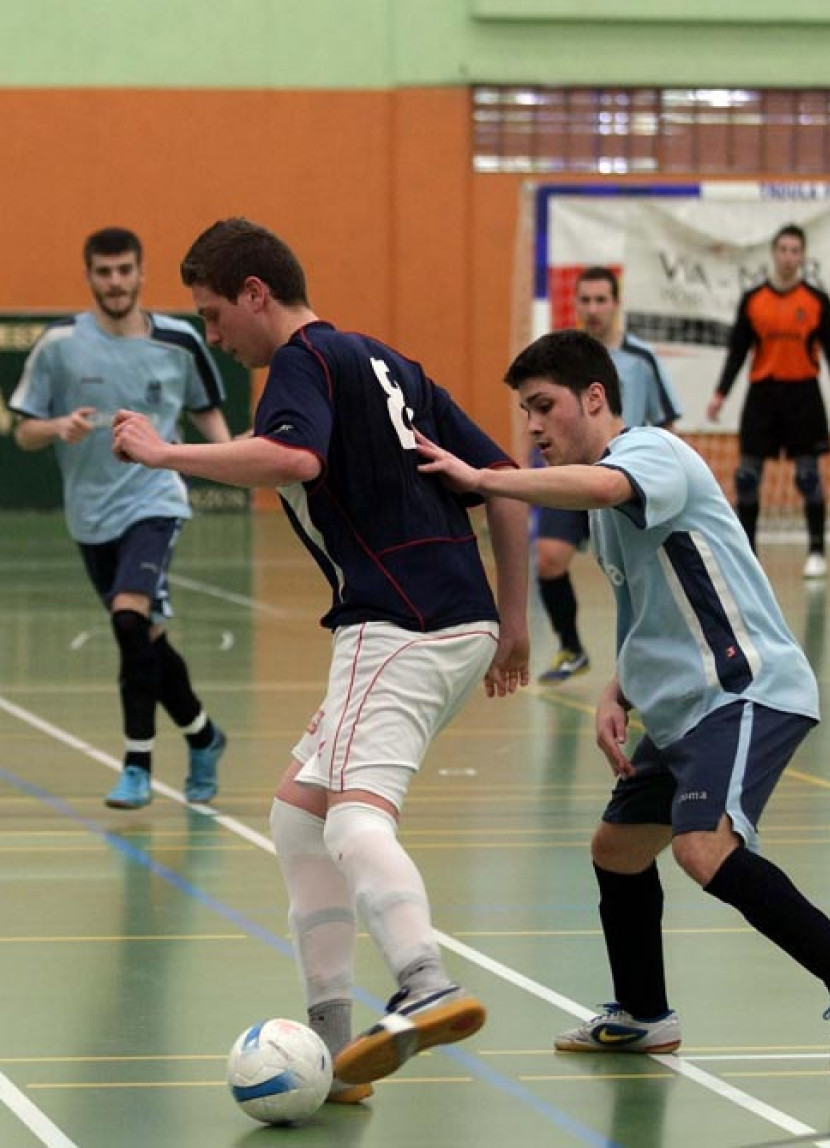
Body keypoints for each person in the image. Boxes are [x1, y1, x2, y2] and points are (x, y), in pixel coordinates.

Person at [111, 217, 531, 1101]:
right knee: (299, 816)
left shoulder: (300, 362)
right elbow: (502, 491)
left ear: (257, 294)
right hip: (452, 620)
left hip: (399, 623)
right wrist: (517, 625)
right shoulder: (393, 363)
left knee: (350, 822)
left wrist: (165, 453)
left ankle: (426, 982)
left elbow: (292, 456)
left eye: (217, 314)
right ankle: (337, 1047)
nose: (216, 337)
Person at [416, 328, 830, 1076]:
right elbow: (647, 606)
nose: (533, 426)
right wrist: (617, 689)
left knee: (704, 847)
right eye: (525, 413)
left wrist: (485, 479)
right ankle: (644, 1015)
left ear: (595, 398)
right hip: (681, 708)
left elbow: (605, 487)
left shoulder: (652, 456)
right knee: (619, 848)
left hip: (746, 689)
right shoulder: (608, 506)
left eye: (544, 407)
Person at [10, 227, 230, 810]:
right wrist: (58, 427)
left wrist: (235, 462)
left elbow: (208, 413)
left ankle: (137, 764)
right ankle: (205, 735)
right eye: (104, 273)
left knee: (130, 623)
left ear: (141, 272)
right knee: (148, 638)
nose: (115, 282)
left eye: (124, 270)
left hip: (155, 501)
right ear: (89, 277)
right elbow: (23, 429)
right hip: (91, 515)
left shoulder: (180, 341)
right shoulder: (58, 346)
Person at [536, 266, 682, 684]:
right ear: (575, 304)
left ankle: (647, 670)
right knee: (548, 559)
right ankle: (571, 647)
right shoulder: (558, 359)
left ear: (616, 304)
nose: (593, 308)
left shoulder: (641, 358)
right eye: (585, 300)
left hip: (622, 483)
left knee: (637, 579)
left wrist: (669, 479)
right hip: (571, 475)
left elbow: (667, 423)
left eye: (602, 299)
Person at [707, 223, 830, 579]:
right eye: (782, 249)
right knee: (747, 478)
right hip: (763, 396)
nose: (788, 257)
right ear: (774, 253)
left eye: (795, 251)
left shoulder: (816, 300)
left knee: (808, 477)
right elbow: (738, 351)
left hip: (803, 395)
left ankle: (817, 551)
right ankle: (747, 554)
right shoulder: (754, 300)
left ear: (803, 256)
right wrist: (720, 395)